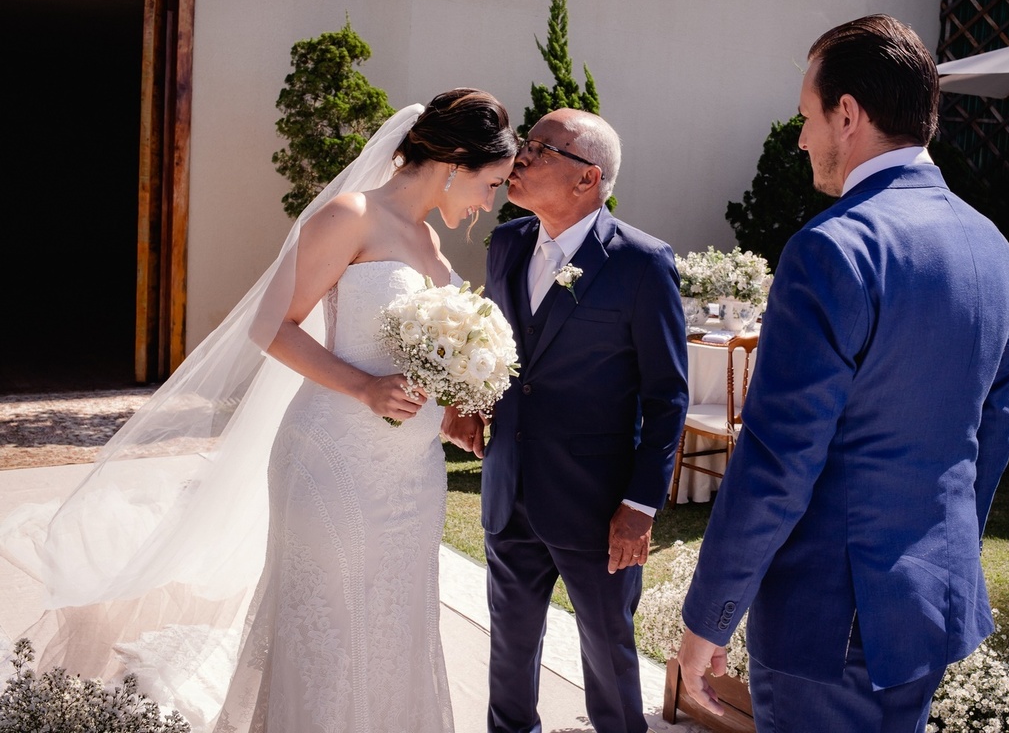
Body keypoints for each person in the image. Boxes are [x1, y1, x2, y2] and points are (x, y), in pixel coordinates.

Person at [2, 89, 519, 733]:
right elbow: (273, 328)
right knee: (331, 624)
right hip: (335, 458)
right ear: (455, 163)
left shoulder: (432, 249)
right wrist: (362, 388)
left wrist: (451, 406)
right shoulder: (349, 215)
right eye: (490, 183)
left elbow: (411, 361)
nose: (487, 202)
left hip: (411, 473)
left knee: (397, 618)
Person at [673, 15, 1009, 733]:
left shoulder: (832, 249)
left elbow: (777, 459)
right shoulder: (995, 250)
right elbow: (992, 436)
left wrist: (709, 616)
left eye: (806, 117)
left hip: (828, 620)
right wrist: (942, 562)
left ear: (847, 114)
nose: (800, 138)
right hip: (930, 603)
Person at [442, 108, 689, 733]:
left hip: (599, 506)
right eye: (525, 144)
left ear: (588, 178)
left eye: (540, 149)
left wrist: (640, 504)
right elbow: (503, 350)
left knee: (608, 660)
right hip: (508, 486)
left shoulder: (642, 263)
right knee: (509, 652)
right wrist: (473, 399)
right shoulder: (506, 242)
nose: (519, 157)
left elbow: (667, 397)